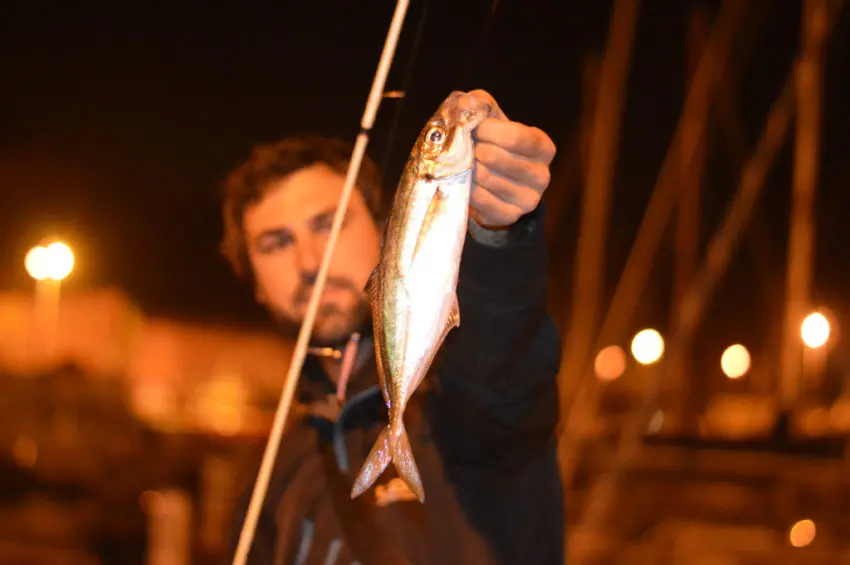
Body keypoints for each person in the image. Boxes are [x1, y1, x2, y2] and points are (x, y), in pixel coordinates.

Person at [220, 90, 564, 565]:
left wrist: (501, 234)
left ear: (388, 227)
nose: (310, 261)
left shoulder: (462, 403)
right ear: (253, 281)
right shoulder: (267, 474)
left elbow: (505, 367)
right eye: (276, 243)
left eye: (329, 223)